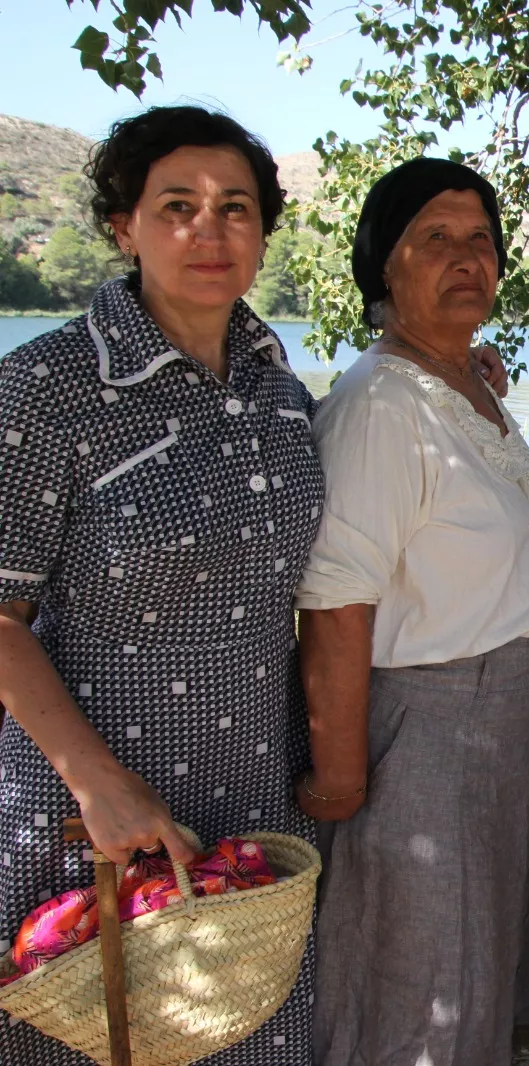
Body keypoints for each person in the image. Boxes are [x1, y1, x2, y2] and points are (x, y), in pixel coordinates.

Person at [0, 104, 320, 1063]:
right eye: (176, 205)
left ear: (263, 231)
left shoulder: (281, 390)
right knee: (111, 1034)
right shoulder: (47, 387)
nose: (208, 231)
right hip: (98, 800)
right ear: (122, 224)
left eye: (235, 208)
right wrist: (96, 784)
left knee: (248, 1035)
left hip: (257, 784)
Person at [292, 158, 529, 1066]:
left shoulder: (467, 386)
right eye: (435, 239)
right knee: (417, 990)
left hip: (502, 725)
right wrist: (342, 783)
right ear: (385, 265)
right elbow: (337, 603)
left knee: (468, 978)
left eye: (481, 241)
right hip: (428, 734)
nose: (466, 259)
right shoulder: (380, 405)